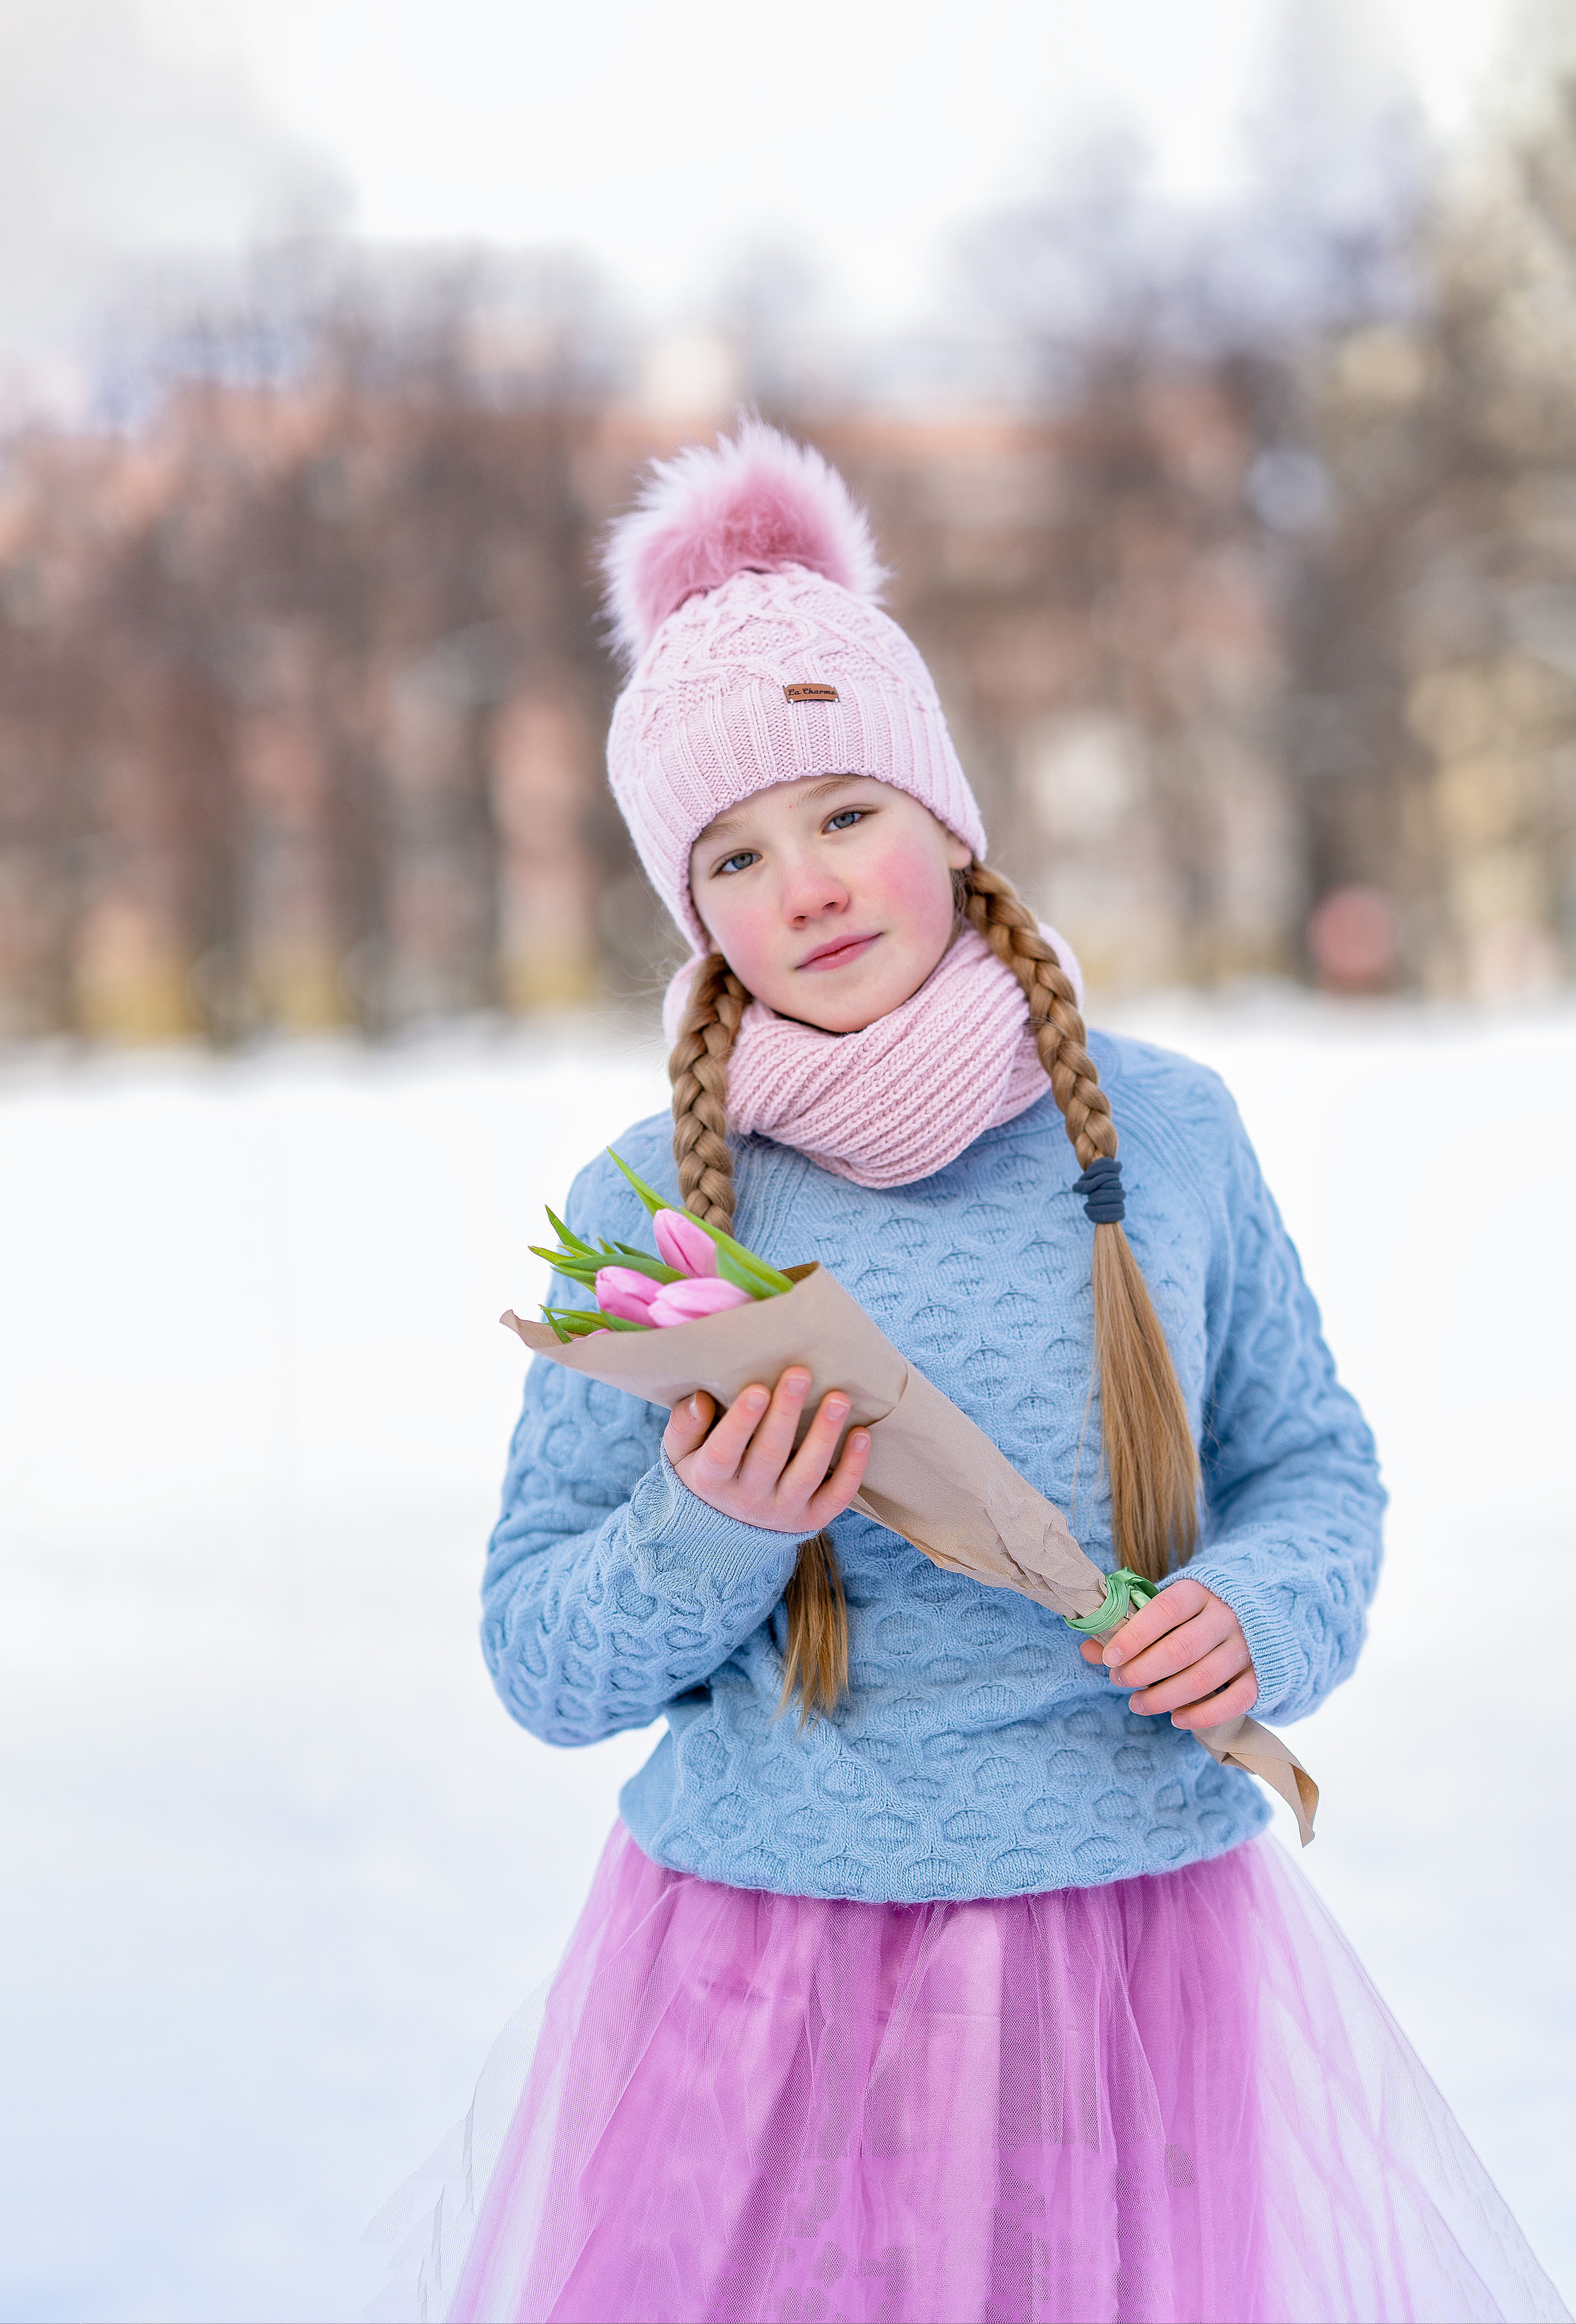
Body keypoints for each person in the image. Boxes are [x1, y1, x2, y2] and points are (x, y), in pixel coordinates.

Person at [384, 425, 1568, 2324]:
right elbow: (542, 1657)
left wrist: (1256, 1615)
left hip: (1129, 1962)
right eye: (734, 853)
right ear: (692, 907)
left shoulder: (1169, 1138)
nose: (808, 886)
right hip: (764, 1987)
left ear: (946, 815)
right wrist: (708, 1526)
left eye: (847, 810)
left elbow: (1312, 1469)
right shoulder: (650, 1212)